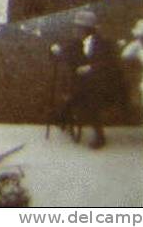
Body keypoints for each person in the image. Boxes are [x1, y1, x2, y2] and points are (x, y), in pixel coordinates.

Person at [51, 10, 127, 149]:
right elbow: (62, 53)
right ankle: (65, 113)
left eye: (78, 27)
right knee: (81, 92)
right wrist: (55, 50)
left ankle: (99, 136)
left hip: (104, 86)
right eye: (75, 27)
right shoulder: (74, 44)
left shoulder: (103, 44)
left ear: (87, 29)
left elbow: (110, 64)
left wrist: (91, 68)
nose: (75, 30)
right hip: (83, 86)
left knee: (90, 96)